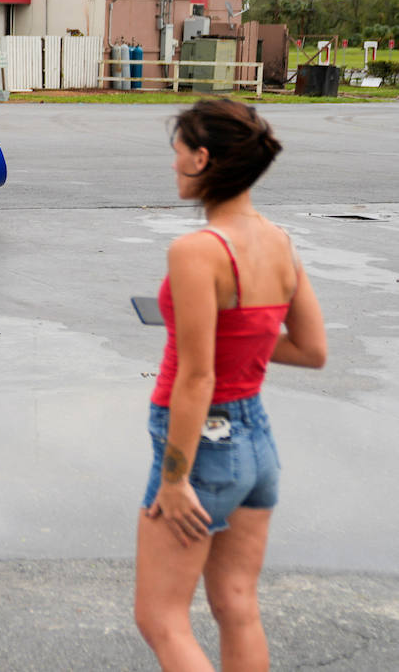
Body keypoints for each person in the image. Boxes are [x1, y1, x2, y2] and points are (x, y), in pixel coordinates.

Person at [134, 98, 327, 671]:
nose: (172, 166)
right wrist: (238, 337)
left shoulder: (197, 251)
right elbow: (311, 349)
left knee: (161, 617)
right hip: (256, 444)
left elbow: (197, 377)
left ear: (202, 158)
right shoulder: (280, 241)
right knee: (236, 605)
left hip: (201, 448)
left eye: (176, 155)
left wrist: (175, 479)